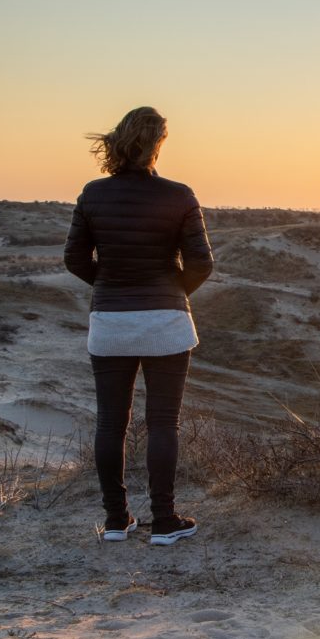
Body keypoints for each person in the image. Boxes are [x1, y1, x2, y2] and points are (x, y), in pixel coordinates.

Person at [64, 106, 214, 546]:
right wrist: (170, 294)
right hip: (166, 320)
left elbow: (74, 260)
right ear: (158, 143)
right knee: (163, 423)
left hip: (110, 321)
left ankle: (116, 521)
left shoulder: (93, 194)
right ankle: (164, 522)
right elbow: (203, 263)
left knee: (110, 423)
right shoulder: (180, 195)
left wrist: (112, 288)